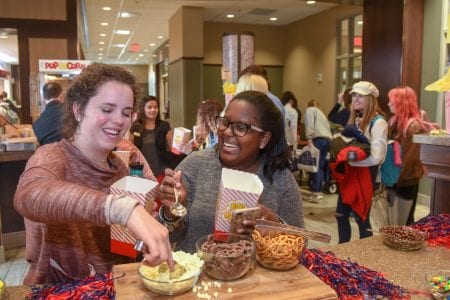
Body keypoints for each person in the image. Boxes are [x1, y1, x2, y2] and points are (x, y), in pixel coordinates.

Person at [14, 63, 173, 285]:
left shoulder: (123, 164)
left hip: (120, 286)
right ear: (78, 110)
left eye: (126, 113)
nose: (119, 120)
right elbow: (29, 194)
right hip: (61, 290)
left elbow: (135, 237)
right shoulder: (52, 157)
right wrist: (123, 210)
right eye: (107, 110)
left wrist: (168, 211)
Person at [159, 90, 304, 252]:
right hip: (197, 274)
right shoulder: (195, 165)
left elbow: (300, 247)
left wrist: (274, 228)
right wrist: (171, 212)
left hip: (257, 276)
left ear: (264, 139)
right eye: (225, 122)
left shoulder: (281, 179)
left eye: (241, 127)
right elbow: (167, 236)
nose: (227, 132)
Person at [335, 81, 388, 243]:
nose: (355, 99)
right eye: (354, 96)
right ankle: (343, 251)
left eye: (360, 96)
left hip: (365, 176)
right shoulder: (356, 119)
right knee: (341, 214)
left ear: (370, 99)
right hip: (350, 176)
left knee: (361, 218)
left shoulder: (379, 122)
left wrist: (351, 162)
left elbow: (377, 157)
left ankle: (366, 257)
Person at [387, 86, 428, 225]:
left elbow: (411, 159)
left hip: (405, 178)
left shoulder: (414, 127)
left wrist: (392, 176)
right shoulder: (394, 122)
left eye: (391, 101)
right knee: (393, 220)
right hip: (395, 177)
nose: (388, 104)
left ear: (401, 103)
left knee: (404, 220)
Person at [130, 95, 184, 182]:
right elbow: (129, 150)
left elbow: (173, 149)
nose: (153, 110)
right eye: (149, 107)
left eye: (155, 107)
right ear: (143, 109)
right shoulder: (136, 127)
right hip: (139, 172)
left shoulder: (164, 126)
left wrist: (184, 146)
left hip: (160, 171)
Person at [304, 99, 332, 201]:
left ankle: (315, 192)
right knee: (320, 166)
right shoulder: (322, 114)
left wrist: (309, 138)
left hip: (318, 139)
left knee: (314, 167)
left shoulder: (310, 110)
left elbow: (310, 123)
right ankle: (319, 191)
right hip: (327, 140)